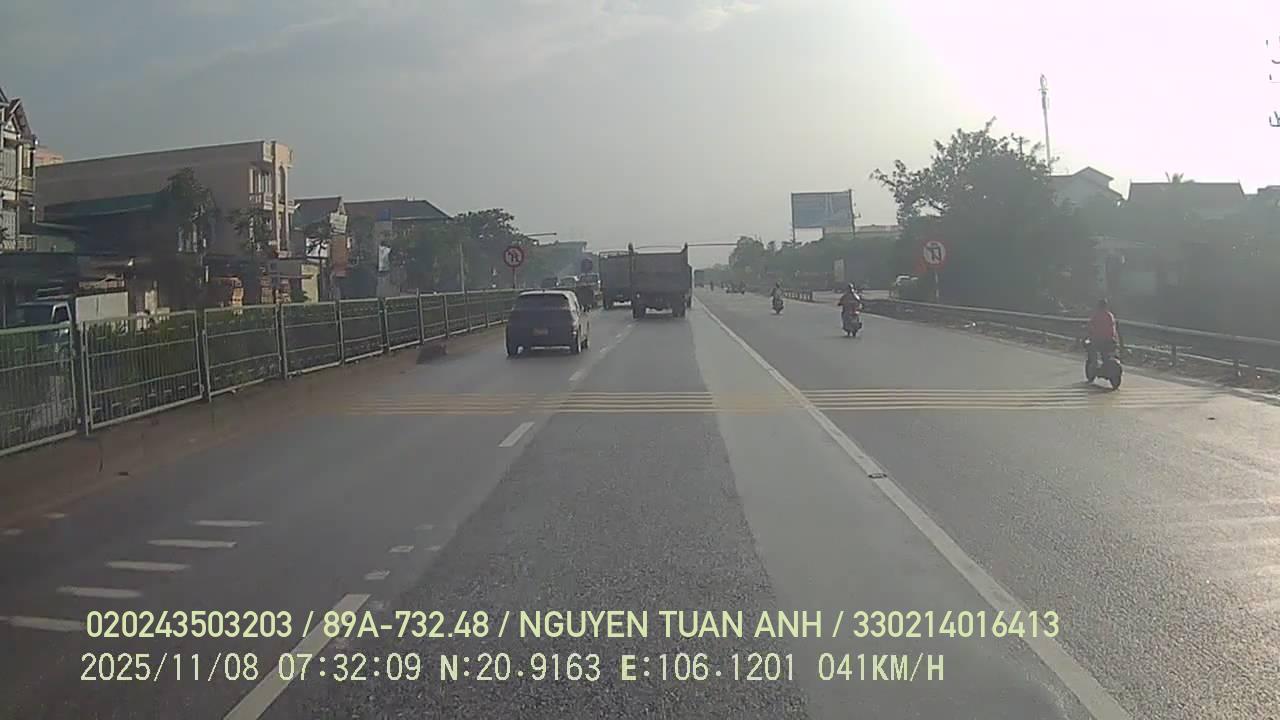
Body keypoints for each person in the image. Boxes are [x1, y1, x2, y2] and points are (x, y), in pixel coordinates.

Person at [1087, 298, 1120, 365]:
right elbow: (1113, 328)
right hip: (1109, 340)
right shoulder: (1110, 315)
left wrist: (1090, 335)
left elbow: (1091, 327)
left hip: (1097, 339)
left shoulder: (1095, 315)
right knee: (1108, 352)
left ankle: (1094, 362)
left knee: (1091, 348)